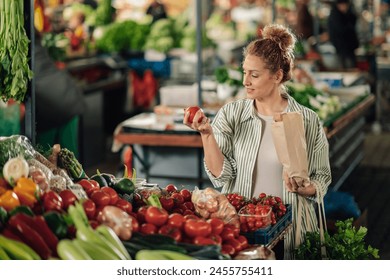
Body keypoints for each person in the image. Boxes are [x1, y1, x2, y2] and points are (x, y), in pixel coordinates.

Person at [183, 23, 331, 259]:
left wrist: (306, 188)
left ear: (277, 76)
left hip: (293, 231)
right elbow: (221, 176)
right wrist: (207, 135)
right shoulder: (231, 114)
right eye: (244, 72)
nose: (245, 81)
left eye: (254, 74)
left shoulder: (307, 119)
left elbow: (322, 177)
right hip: (243, 233)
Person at [34, 31, 86, 158]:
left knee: (45, 161)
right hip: (67, 96)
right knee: (70, 160)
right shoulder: (35, 41)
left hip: (49, 104)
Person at [327, 0, 359, 69]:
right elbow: (342, 30)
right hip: (341, 47)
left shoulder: (347, 14)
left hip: (348, 48)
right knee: (347, 67)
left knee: (350, 66)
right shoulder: (335, 16)